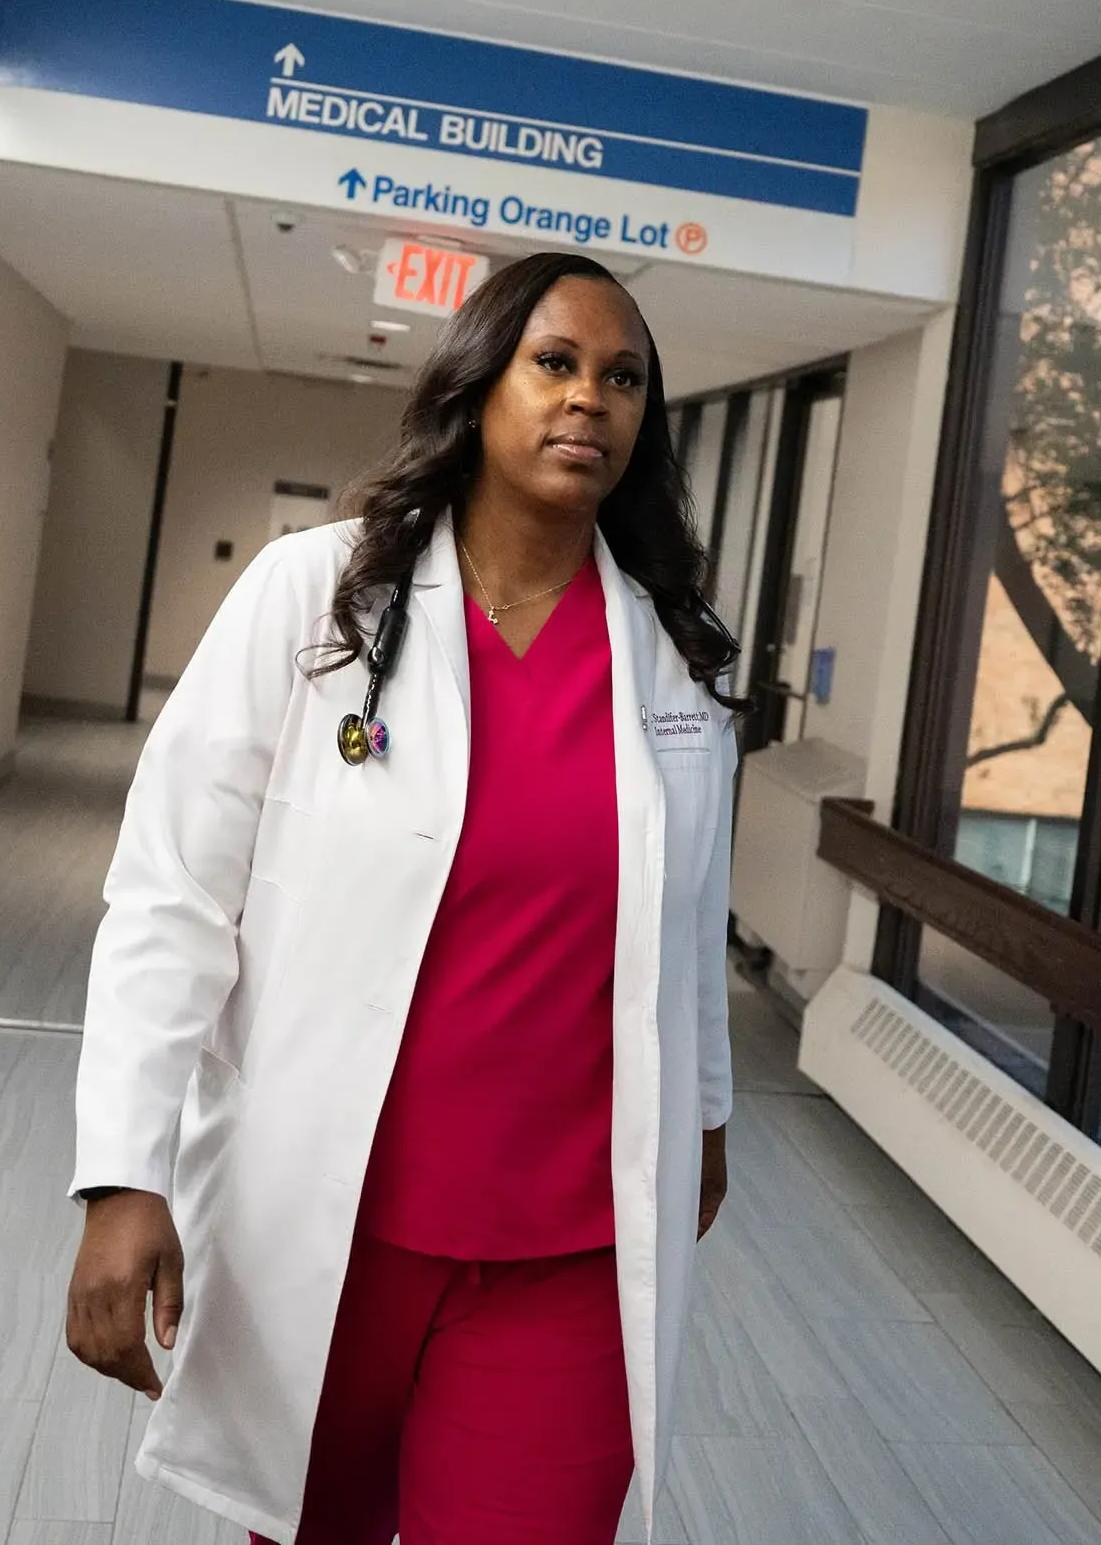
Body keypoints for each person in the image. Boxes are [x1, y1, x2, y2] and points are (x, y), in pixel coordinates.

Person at [61, 251, 741, 1545]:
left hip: (571, 1246)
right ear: (479, 386)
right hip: (331, 1222)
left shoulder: (673, 662)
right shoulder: (317, 595)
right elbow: (172, 895)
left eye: (623, 378)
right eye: (554, 363)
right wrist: (122, 1174)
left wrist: (704, 1112)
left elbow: (690, 921)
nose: (588, 398)